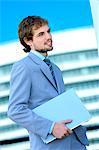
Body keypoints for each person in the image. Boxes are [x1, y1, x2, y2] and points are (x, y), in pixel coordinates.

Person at [8, 16, 89, 150]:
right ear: (28, 41)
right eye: (41, 34)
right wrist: (50, 127)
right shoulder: (23, 67)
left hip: (75, 142)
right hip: (50, 146)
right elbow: (15, 110)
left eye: (48, 31)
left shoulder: (56, 69)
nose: (49, 37)